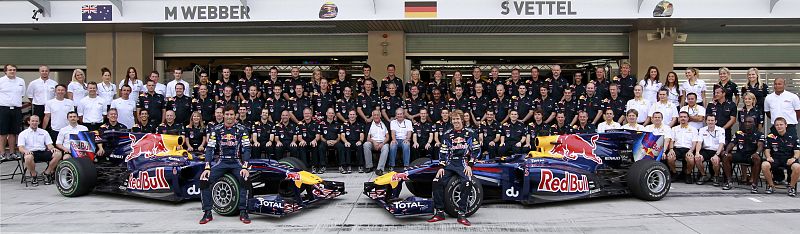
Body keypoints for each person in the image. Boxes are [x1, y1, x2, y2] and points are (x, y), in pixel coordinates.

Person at [199, 106, 252, 224]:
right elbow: (210, 148)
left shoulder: (242, 129)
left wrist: (245, 166)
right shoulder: (216, 129)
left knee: (245, 178)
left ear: (235, 116)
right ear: (223, 115)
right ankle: (207, 212)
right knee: (204, 179)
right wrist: (207, 167)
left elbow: (247, 148)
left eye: (231, 114)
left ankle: (243, 211)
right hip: (221, 161)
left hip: (236, 161)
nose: (229, 117)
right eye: (227, 114)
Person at [428, 110, 478, 226]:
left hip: (463, 162)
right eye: (454, 119)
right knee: (436, 181)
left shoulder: (470, 133)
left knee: (467, 182)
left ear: (462, 120)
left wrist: (470, 165)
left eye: (457, 119)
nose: (455, 121)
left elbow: (476, 150)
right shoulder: (447, 134)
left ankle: (462, 213)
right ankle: (439, 212)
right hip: (450, 163)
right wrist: (441, 166)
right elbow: (443, 151)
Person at [760, 118, 800, 196]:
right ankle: (771, 186)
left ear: (786, 125)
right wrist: (768, 157)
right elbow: (767, 149)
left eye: (781, 124)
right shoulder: (770, 136)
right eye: (777, 125)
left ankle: (791, 188)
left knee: (797, 166)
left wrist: (793, 158)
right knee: (765, 165)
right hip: (775, 159)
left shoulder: (793, 137)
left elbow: (797, 151)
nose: (779, 126)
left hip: (788, 159)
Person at [722, 116, 763, 192]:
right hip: (740, 154)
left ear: (754, 123)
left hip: (751, 155)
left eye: (750, 122)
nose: (747, 124)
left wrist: (757, 153)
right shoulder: (739, 133)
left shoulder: (759, 134)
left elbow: (760, 145)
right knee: (726, 156)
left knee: (757, 159)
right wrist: (727, 151)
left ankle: (754, 184)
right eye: (746, 122)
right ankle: (729, 182)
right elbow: (732, 143)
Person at [18, 115, 61, 186]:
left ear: (39, 122)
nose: (34, 123)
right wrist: (26, 151)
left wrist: (53, 148)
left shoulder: (44, 132)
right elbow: (21, 147)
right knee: (28, 157)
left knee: (58, 154)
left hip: (43, 151)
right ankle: (34, 175)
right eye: (32, 121)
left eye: (36, 121)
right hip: (30, 153)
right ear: (29, 122)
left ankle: (46, 173)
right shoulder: (23, 134)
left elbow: (49, 145)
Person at [0, 64, 25, 161]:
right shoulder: (1, 81)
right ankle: (2, 153)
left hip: (16, 109)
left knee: (13, 132)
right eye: (10, 70)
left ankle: (12, 153)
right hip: (3, 108)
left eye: (14, 70)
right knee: (2, 132)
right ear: (5, 71)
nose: (12, 71)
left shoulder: (20, 81)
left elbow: (22, 95)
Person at [693, 115, 726, 186]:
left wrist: (717, 155)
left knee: (715, 160)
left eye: (712, 120)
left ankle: (716, 176)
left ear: (715, 121)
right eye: (709, 120)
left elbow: (721, 143)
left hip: (717, 150)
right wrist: (697, 152)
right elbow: (699, 142)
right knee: (697, 158)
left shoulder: (721, 130)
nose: (710, 122)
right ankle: (703, 175)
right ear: (706, 121)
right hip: (706, 150)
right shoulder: (702, 130)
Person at [669, 112, 700, 183]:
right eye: (681, 117)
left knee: (691, 159)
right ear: (679, 119)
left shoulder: (693, 129)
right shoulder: (674, 129)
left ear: (688, 119)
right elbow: (672, 140)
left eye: (685, 117)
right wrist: (671, 149)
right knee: (670, 158)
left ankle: (687, 174)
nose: (683, 118)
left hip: (688, 149)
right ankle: (674, 173)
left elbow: (694, 142)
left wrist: (691, 151)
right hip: (677, 148)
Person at [294, 108, 321, 173]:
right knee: (301, 146)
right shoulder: (300, 125)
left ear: (311, 114)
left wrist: (315, 140)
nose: (307, 115)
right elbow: (299, 137)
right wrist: (302, 140)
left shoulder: (316, 124)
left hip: (313, 141)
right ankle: (304, 167)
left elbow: (318, 136)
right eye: (305, 113)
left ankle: (314, 166)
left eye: (308, 113)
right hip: (304, 141)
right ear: (303, 115)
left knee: (315, 145)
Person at [364, 109, 390, 175]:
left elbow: (387, 137)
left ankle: (380, 169)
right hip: (372, 143)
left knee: (386, 147)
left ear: (380, 115)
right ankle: (369, 166)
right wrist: (374, 142)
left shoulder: (385, 124)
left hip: (383, 143)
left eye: (377, 115)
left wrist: (382, 143)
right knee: (366, 144)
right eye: (374, 115)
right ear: (372, 116)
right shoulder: (369, 125)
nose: (376, 116)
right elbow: (367, 138)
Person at [318, 108, 341, 173]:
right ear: (326, 113)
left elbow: (339, 136)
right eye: (329, 113)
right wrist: (326, 141)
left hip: (335, 141)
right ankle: (323, 166)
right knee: (321, 147)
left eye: (332, 113)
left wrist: (336, 141)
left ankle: (341, 166)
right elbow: (321, 136)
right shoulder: (322, 124)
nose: (331, 114)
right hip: (325, 141)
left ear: (334, 114)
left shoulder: (337, 124)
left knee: (341, 147)